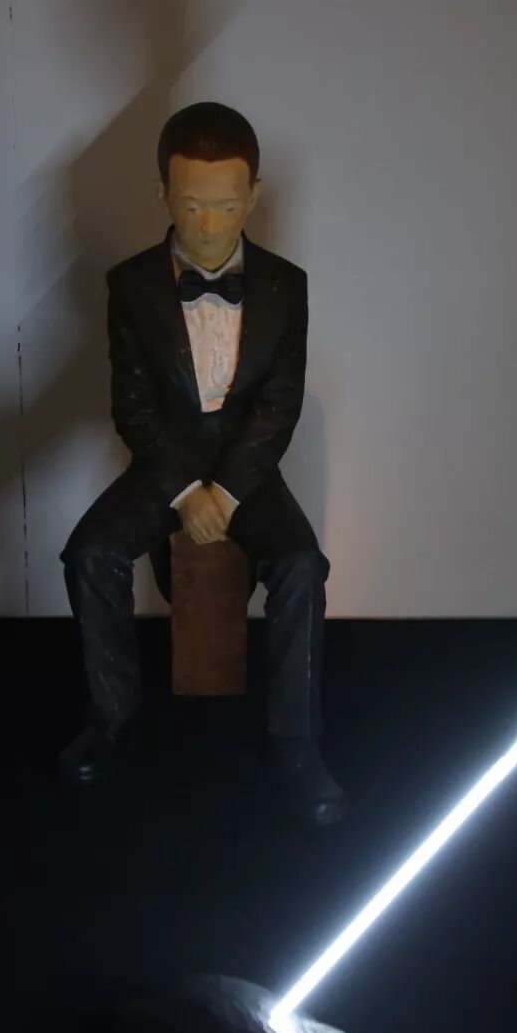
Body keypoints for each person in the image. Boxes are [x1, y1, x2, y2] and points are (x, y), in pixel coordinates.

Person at [57, 101, 347, 827]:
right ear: (162, 193)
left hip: (249, 468)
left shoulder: (285, 284)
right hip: (168, 464)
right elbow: (133, 407)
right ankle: (110, 715)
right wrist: (186, 490)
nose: (211, 225)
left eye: (226, 205)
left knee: (302, 565)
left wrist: (229, 489)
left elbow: (279, 405)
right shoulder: (131, 285)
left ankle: (297, 741)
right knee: (90, 553)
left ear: (254, 194)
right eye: (191, 206)